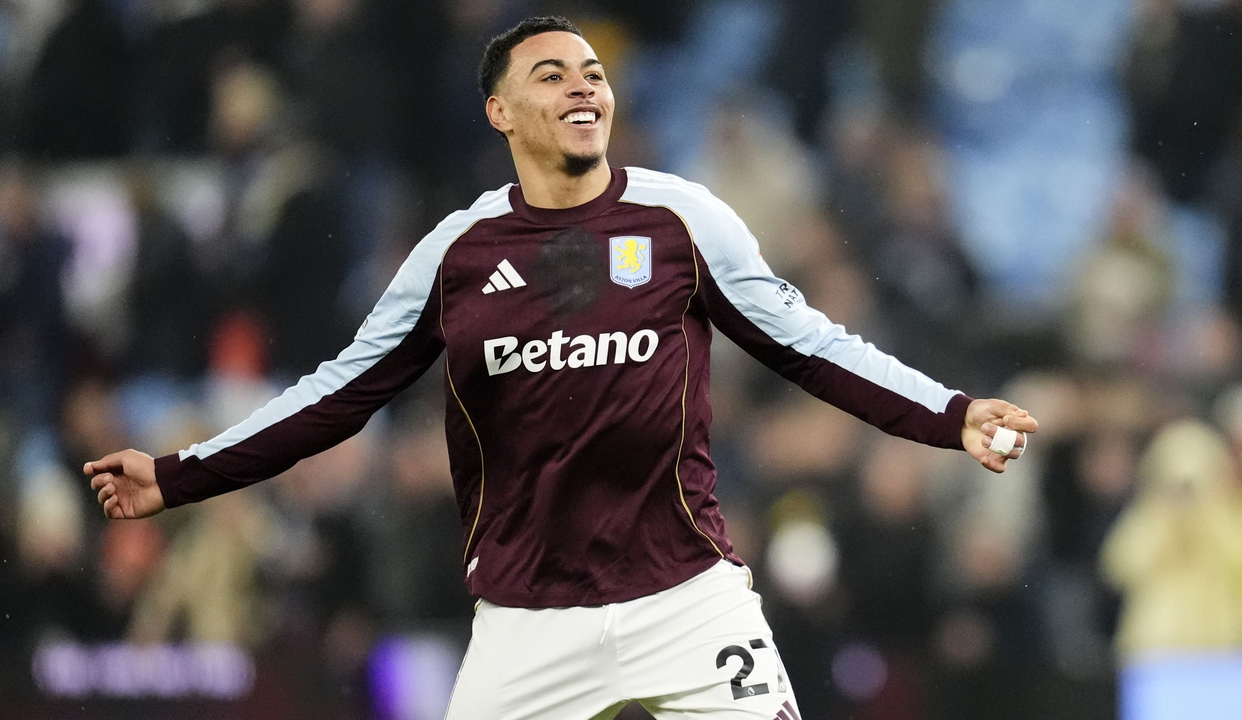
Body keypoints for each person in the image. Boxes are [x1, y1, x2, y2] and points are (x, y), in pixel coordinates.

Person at [84, 17, 1037, 719]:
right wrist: (179, 475)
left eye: (594, 74)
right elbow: (338, 393)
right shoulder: (456, 255)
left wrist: (949, 414)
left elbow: (812, 344)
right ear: (499, 111)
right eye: (553, 75)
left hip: (687, 600)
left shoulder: (682, 221)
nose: (584, 89)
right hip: (527, 622)